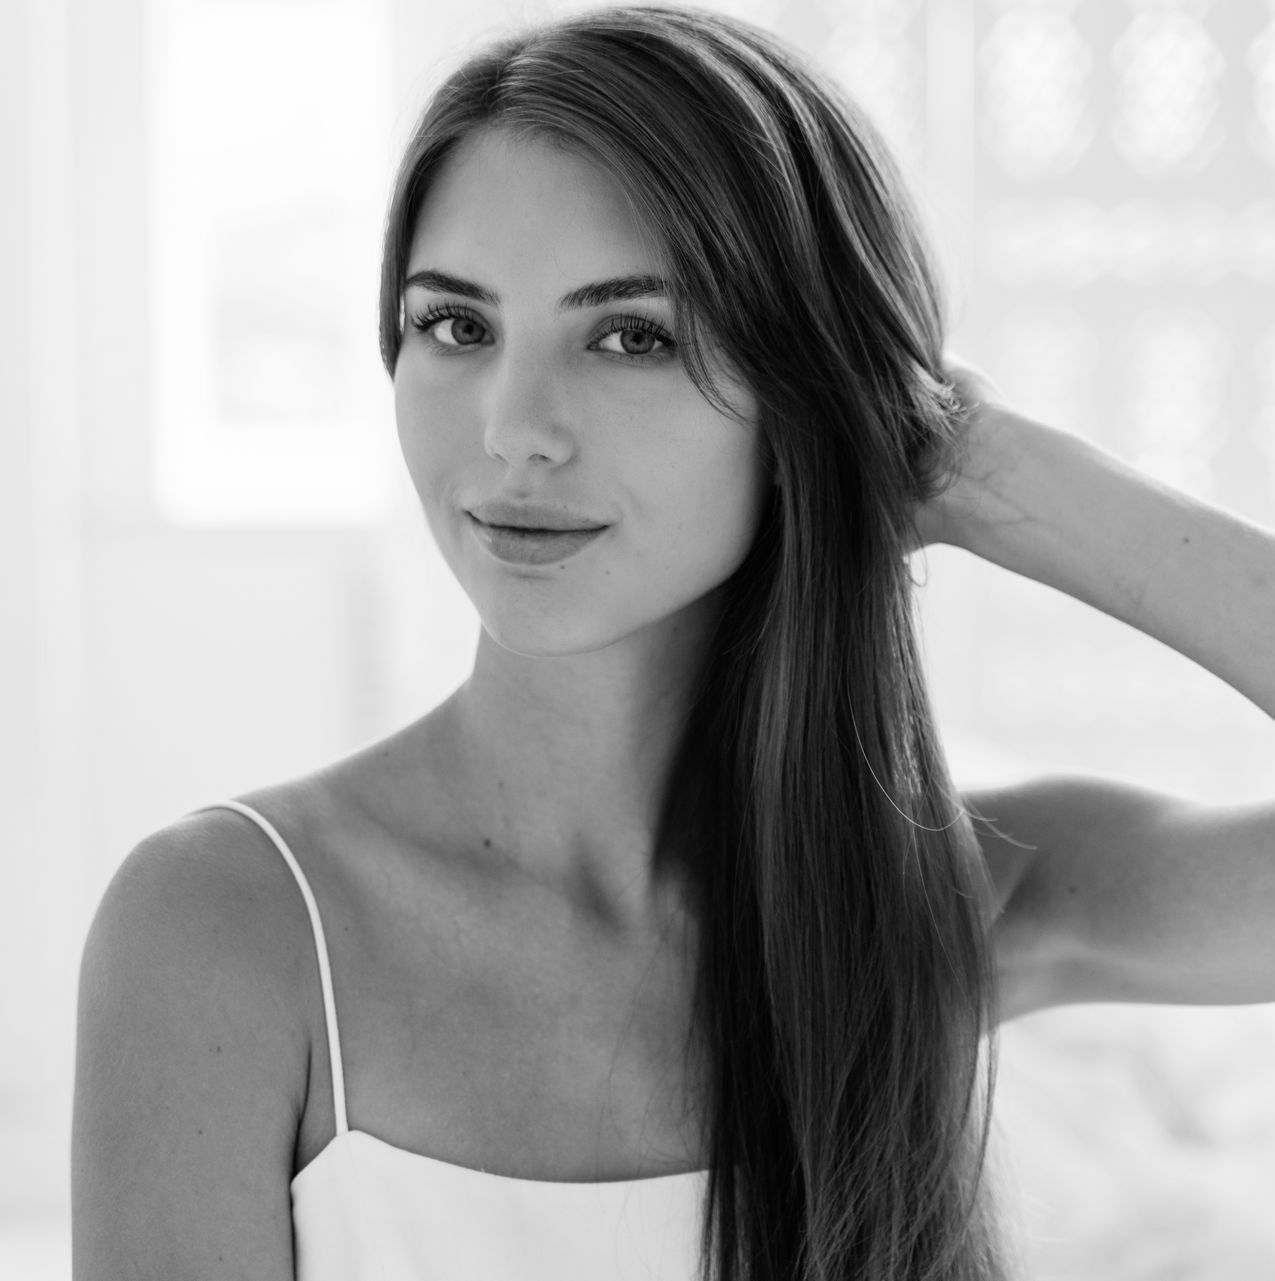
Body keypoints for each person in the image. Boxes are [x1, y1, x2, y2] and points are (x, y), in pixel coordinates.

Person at [70, 4, 1275, 1279]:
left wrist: (987, 474)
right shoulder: (225, 928)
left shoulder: (942, 906)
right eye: (456, 326)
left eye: (630, 335)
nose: (514, 428)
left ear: (810, 394)